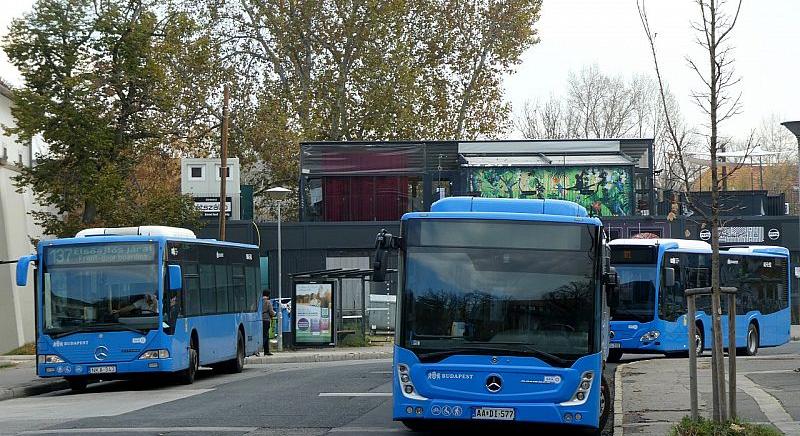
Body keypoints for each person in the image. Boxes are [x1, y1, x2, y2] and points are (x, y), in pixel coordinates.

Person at [261, 290, 276, 356]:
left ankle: (266, 351)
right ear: (268, 295)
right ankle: (264, 350)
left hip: (259, 320)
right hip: (266, 320)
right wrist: (274, 314)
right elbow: (271, 312)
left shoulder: (259, 301)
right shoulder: (268, 302)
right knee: (266, 335)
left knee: (263, 335)